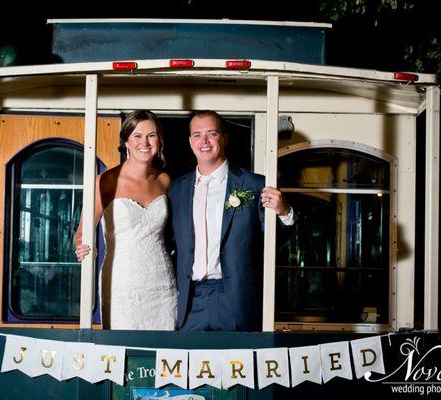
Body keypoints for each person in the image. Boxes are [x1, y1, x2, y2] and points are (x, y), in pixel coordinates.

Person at [169, 110, 294, 332]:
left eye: (211, 133)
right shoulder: (177, 189)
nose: (204, 141)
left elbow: (278, 240)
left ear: (225, 138)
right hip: (190, 300)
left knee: (238, 365)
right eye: (197, 135)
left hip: (235, 298)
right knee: (189, 365)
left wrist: (285, 211)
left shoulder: (254, 185)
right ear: (190, 142)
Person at [75, 110, 177, 330]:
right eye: (137, 136)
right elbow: (82, 232)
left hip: (162, 284)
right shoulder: (104, 181)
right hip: (121, 282)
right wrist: (81, 247)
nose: (145, 142)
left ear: (159, 141)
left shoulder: (165, 180)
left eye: (151, 135)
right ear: (126, 142)